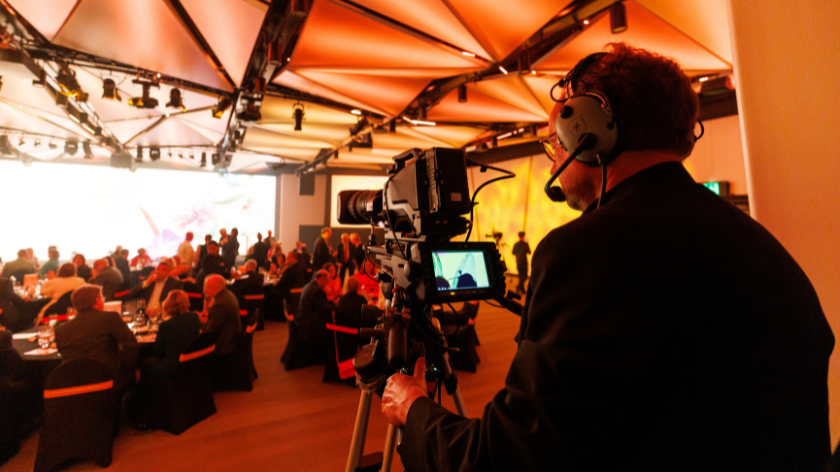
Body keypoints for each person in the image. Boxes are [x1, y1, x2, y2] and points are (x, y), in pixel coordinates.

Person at [382, 43, 836, 472]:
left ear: (589, 129)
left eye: (556, 140)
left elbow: (508, 458)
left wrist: (414, 408)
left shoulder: (583, 252)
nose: (554, 157)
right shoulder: (759, 245)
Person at [55, 285, 138, 390]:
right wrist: (125, 368)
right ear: (98, 301)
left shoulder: (61, 329)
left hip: (75, 384)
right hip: (108, 380)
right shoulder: (110, 317)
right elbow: (131, 346)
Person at [146, 290, 202, 378]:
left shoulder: (166, 325)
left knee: (145, 366)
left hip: (172, 368)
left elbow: (157, 352)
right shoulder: (194, 317)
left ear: (169, 304)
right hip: (192, 362)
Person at [201, 274, 241, 357]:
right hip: (234, 338)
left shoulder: (219, 304)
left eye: (208, 288)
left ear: (218, 288)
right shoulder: (228, 294)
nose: (205, 290)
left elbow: (211, 331)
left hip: (224, 344)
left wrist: (199, 331)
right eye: (205, 287)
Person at [297, 270, 334, 345]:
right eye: (327, 281)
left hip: (304, 321)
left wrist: (332, 302)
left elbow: (318, 303)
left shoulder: (309, 285)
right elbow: (326, 308)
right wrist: (337, 306)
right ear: (322, 279)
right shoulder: (317, 291)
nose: (327, 283)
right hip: (311, 326)